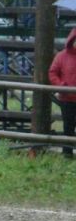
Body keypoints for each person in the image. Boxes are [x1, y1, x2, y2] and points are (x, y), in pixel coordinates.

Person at [49, 28, 76, 159]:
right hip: (68, 98)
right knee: (68, 126)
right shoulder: (62, 56)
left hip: (68, 96)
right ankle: (67, 153)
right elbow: (52, 73)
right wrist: (61, 85)